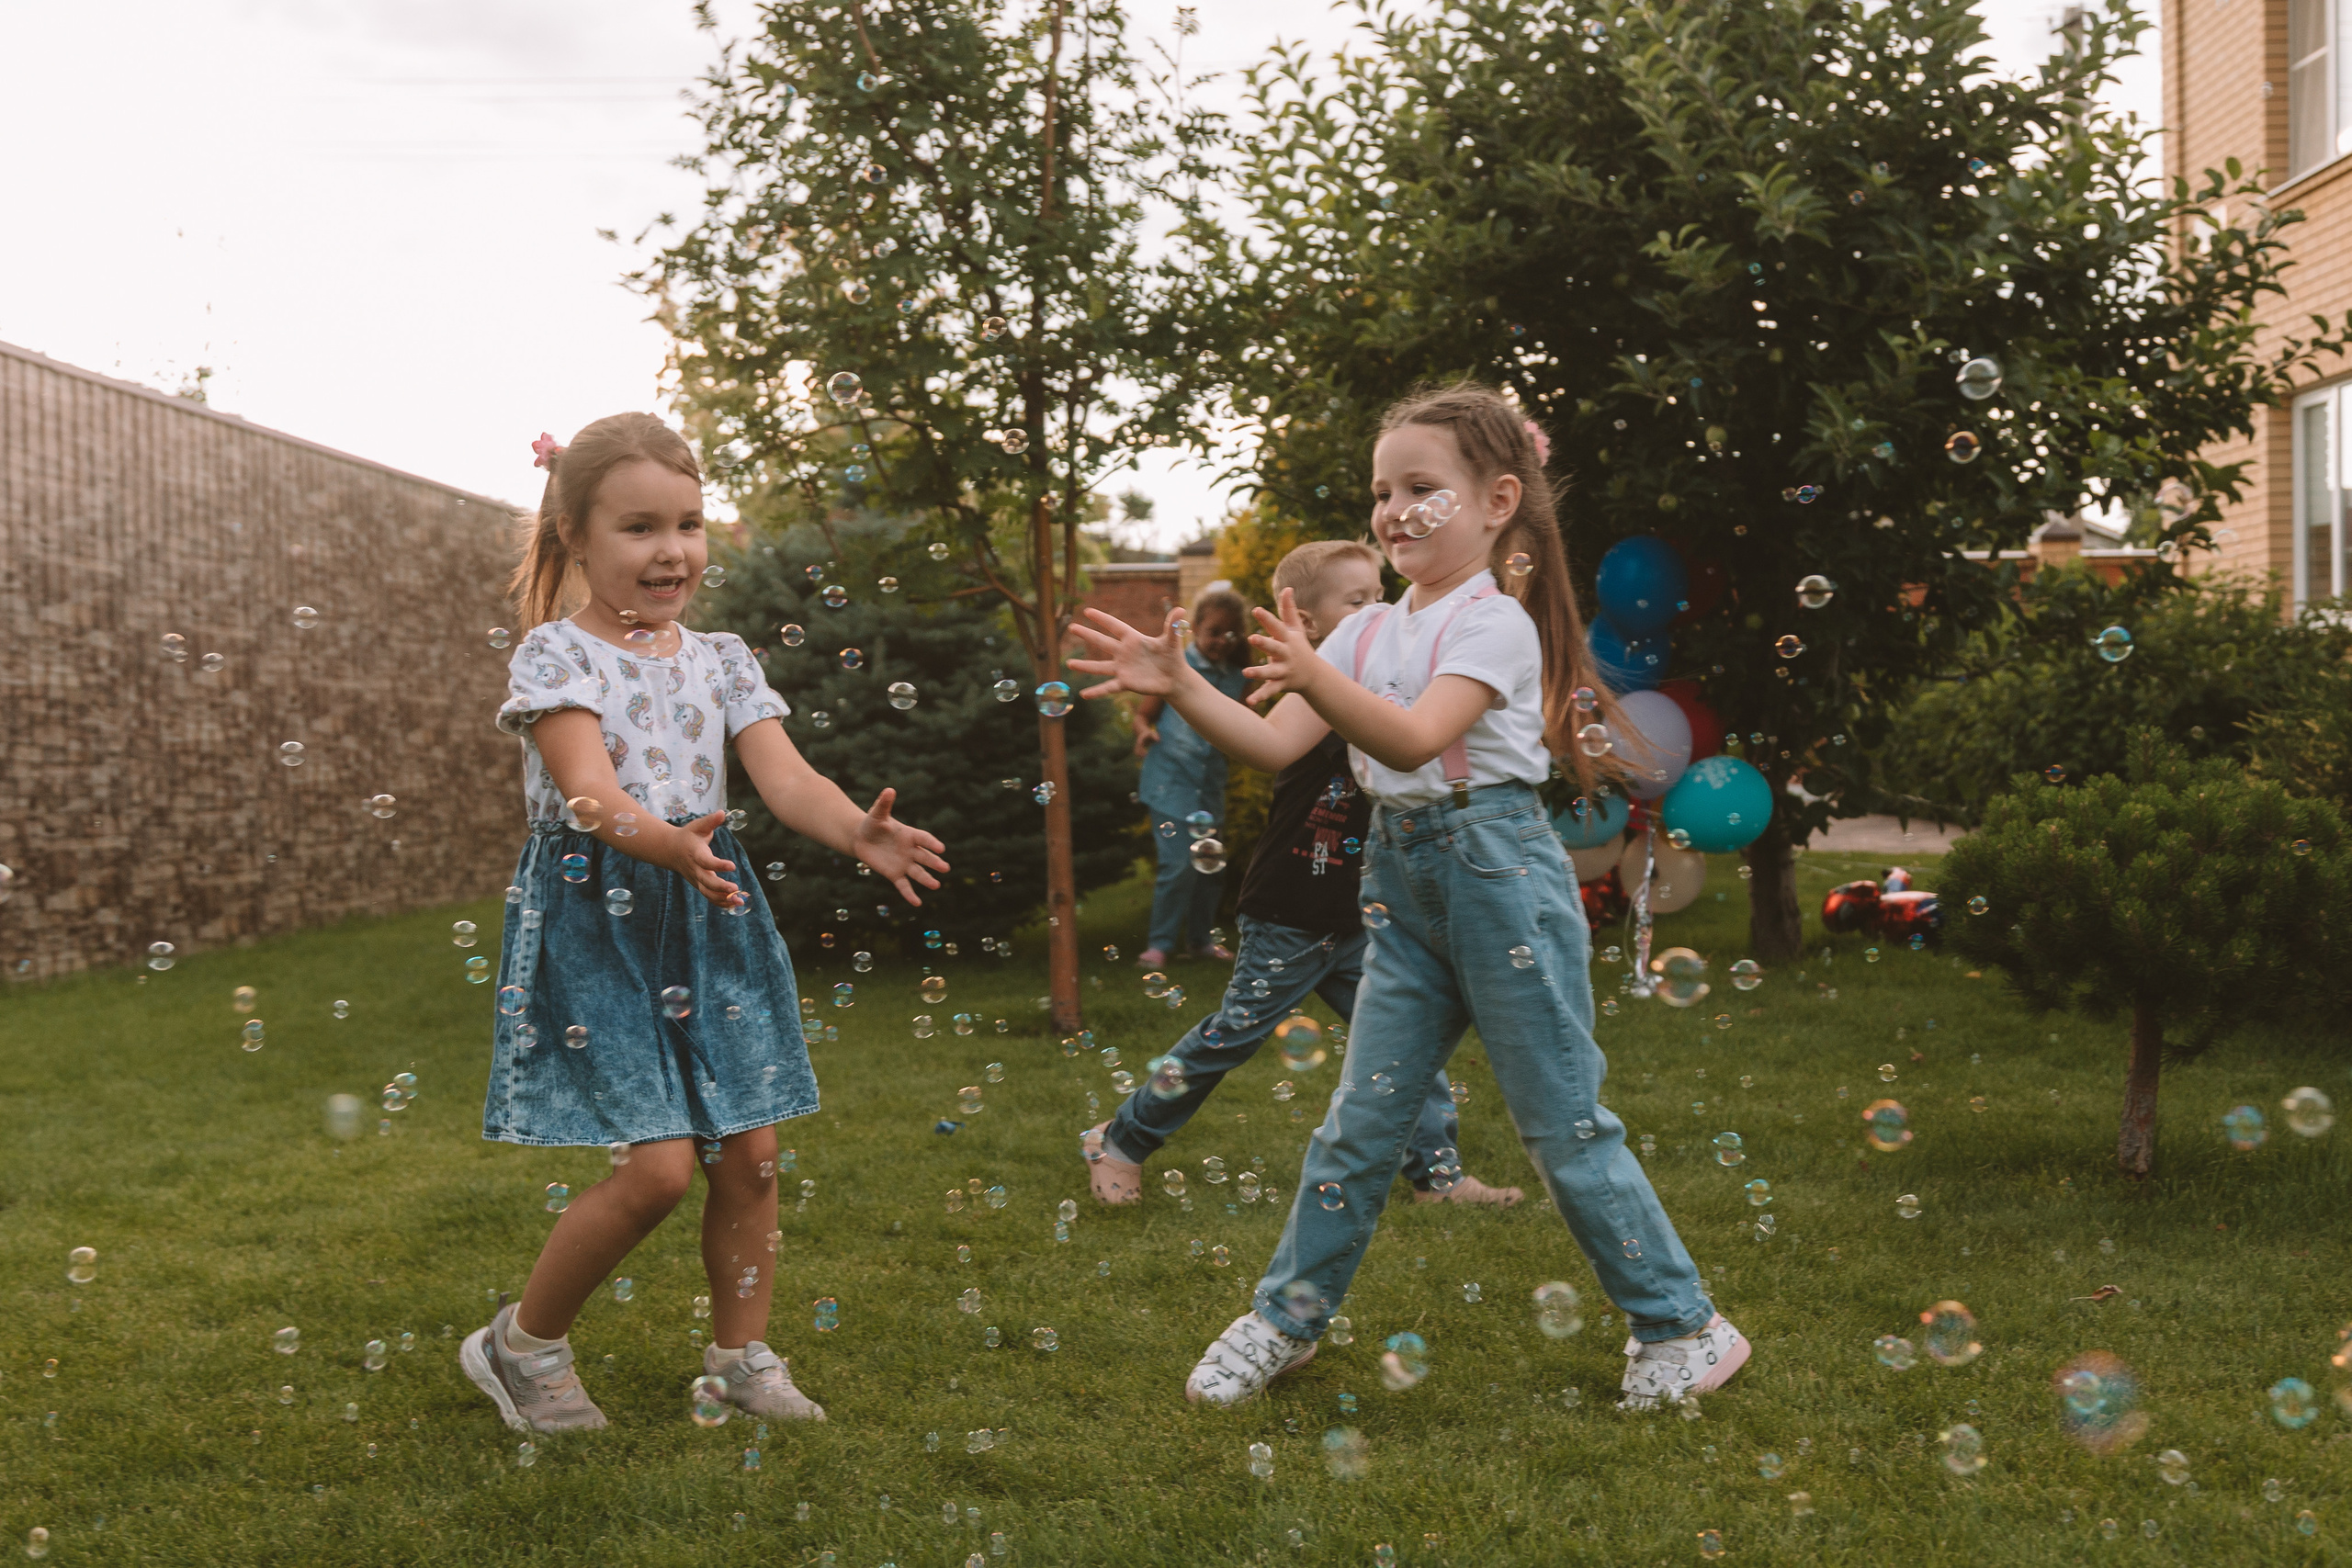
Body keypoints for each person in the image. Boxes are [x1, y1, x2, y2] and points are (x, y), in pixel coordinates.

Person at [1068, 383, 1747, 1414]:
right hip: (1401, 878)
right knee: (1357, 1124)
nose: (1394, 511)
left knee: (1561, 1123)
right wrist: (1185, 688)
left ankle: (1682, 1326)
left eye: (1422, 487)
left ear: (1496, 500)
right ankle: (1284, 1321)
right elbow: (1275, 742)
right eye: (1382, 491)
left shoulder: (1495, 627)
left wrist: (1312, 672)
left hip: (1497, 874)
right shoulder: (1364, 632)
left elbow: (1414, 737)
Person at [461, 414, 948, 1436]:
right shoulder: (557, 656)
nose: (671, 549)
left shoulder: (722, 658)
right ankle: (522, 1345)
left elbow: (785, 775)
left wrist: (856, 832)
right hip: (603, 915)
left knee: (750, 1156)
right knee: (657, 1169)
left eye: (688, 522)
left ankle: (738, 1359)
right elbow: (586, 791)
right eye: (639, 527)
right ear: (576, 537)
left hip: (709, 909)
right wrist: (666, 841)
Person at [1083, 539, 1522, 1211]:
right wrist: (1183, 681)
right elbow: (1259, 742)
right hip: (1291, 909)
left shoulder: (1390, 687)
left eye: (1380, 593)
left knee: (1415, 1034)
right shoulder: (1321, 686)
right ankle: (1121, 1138)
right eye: (1357, 600)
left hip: (1362, 910)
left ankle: (1436, 1179)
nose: (1378, 607)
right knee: (1230, 1037)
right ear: (1308, 624)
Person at [1131, 585, 1252, 967]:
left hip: (1209, 787)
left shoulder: (1237, 677)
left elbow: (1246, 724)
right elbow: (1143, 714)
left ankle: (1200, 942)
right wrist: (1143, 732)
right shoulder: (1176, 667)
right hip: (1170, 781)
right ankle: (1160, 945)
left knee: (1210, 867)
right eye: (1214, 631)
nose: (1222, 641)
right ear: (1196, 627)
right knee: (1177, 865)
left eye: (1231, 634)